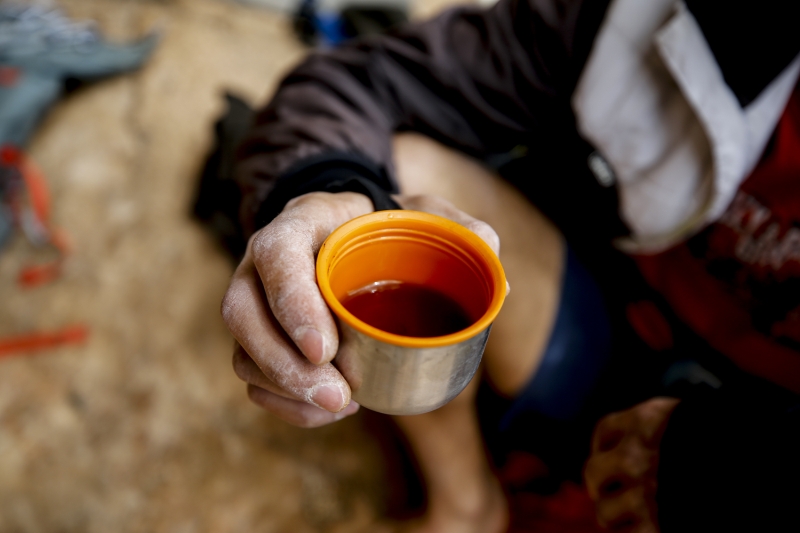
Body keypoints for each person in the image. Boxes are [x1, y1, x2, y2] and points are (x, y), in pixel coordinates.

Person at [220, 0, 800, 531]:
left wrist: (724, 472)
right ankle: (467, 505)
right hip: (608, 326)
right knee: (401, 200)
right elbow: (359, 85)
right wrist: (315, 194)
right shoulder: (645, 15)